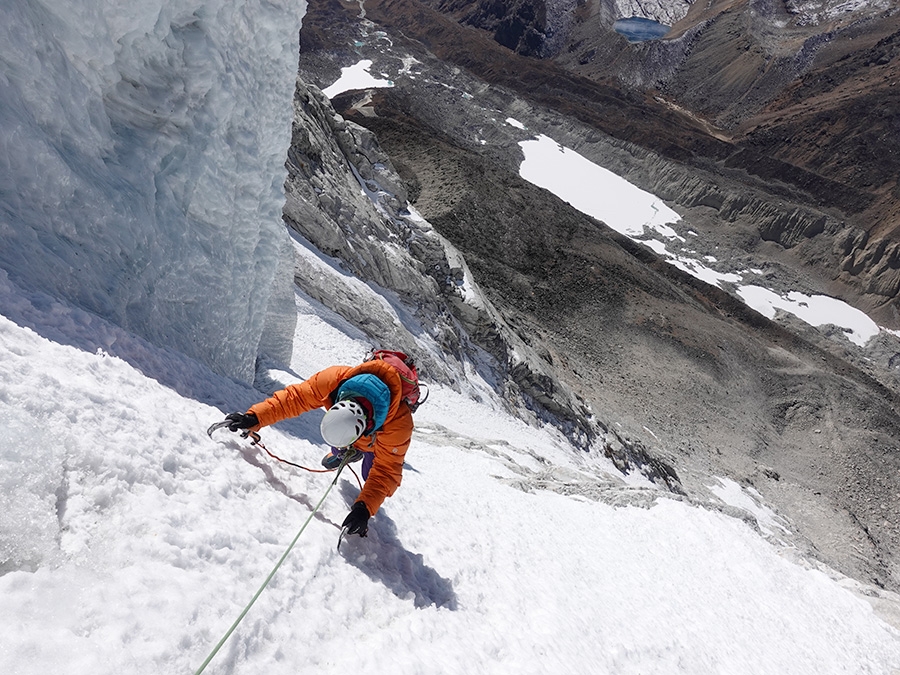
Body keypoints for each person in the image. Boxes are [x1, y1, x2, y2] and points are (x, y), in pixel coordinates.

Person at [223, 359, 414, 538]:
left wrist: (364, 508)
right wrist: (255, 417)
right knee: (340, 445)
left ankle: (357, 452)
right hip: (356, 433)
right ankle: (346, 451)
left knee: (369, 475)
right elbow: (293, 399)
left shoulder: (397, 425)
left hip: (375, 444)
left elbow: (385, 472)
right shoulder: (333, 381)